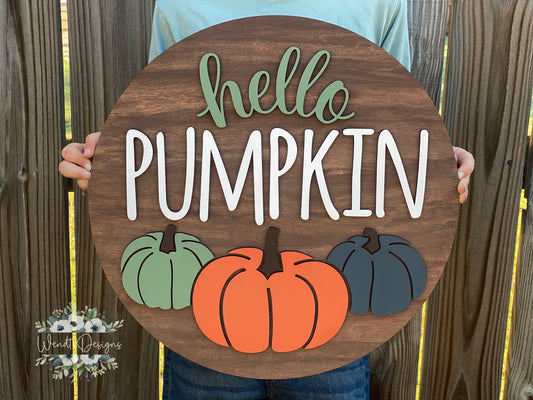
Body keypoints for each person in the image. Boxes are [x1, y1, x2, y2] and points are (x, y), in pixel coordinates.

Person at [59, 1, 475, 399]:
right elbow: (164, 136)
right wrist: (114, 165)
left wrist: (435, 168)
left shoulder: (377, 5)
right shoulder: (180, 6)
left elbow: (392, 131)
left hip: (331, 310)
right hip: (210, 309)